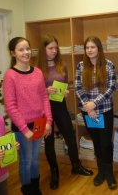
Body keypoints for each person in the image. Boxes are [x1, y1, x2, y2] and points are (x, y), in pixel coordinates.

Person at [35, 34, 93, 190]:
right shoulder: (37, 69)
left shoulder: (62, 65)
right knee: (49, 141)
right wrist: (45, 91)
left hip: (60, 106)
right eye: (50, 48)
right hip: (43, 109)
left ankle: (76, 165)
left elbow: (65, 85)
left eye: (55, 48)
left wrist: (66, 92)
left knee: (69, 135)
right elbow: (34, 92)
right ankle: (54, 172)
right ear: (43, 49)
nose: (54, 51)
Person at [3, 37, 53, 195]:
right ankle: (27, 190)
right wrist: (25, 130)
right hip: (22, 127)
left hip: (39, 122)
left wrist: (49, 122)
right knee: (26, 160)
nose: (26, 52)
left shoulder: (37, 72)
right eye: (21, 49)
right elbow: (11, 106)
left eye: (27, 49)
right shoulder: (11, 75)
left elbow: (44, 97)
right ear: (13, 53)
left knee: (36, 158)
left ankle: (35, 188)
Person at [75, 36, 117, 190]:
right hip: (87, 111)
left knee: (106, 143)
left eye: (93, 47)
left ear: (99, 48)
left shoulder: (108, 65)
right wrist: (89, 106)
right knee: (96, 142)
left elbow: (111, 88)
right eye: (87, 47)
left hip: (104, 109)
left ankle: (109, 172)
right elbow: (78, 88)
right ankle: (101, 172)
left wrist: (94, 104)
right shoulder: (80, 66)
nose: (90, 50)